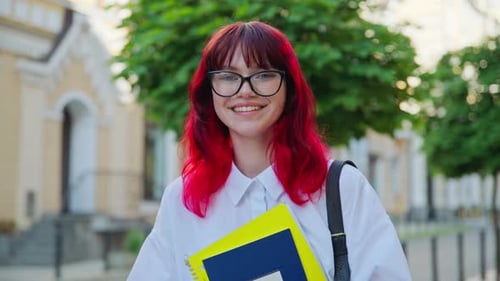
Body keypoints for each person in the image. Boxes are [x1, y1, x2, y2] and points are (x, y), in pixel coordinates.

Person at [127, 21, 411, 281]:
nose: (245, 91)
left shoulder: (342, 188)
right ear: (209, 91)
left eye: (263, 74)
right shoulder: (182, 200)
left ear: (289, 88)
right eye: (228, 76)